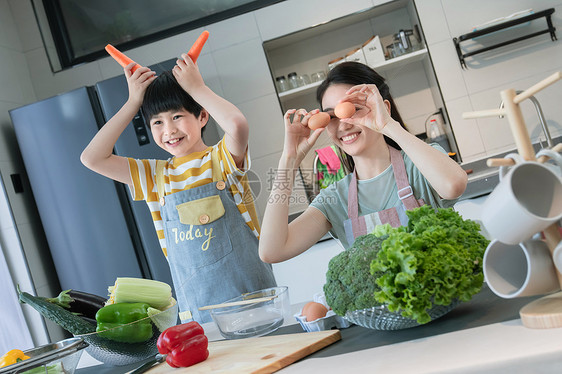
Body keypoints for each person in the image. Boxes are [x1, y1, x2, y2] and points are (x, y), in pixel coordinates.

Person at [81, 55, 276, 323]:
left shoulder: (221, 158)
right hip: (198, 314)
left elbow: (237, 125)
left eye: (177, 116)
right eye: (157, 122)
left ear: (202, 116)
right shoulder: (154, 175)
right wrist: (132, 103)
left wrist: (197, 88)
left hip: (254, 302)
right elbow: (92, 158)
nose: (169, 130)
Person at [259, 62, 468, 262]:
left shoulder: (419, 165)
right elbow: (272, 251)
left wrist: (387, 124)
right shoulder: (335, 198)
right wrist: (289, 160)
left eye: (353, 109)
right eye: (331, 117)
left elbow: (454, 185)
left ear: (382, 108)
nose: (343, 125)